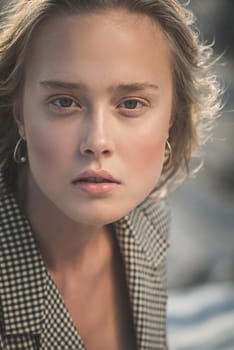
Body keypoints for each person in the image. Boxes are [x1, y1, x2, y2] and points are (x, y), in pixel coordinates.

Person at [0, 0, 221, 349]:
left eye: (131, 103)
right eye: (63, 101)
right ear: (20, 115)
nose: (97, 141)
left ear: (172, 118)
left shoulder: (148, 223)